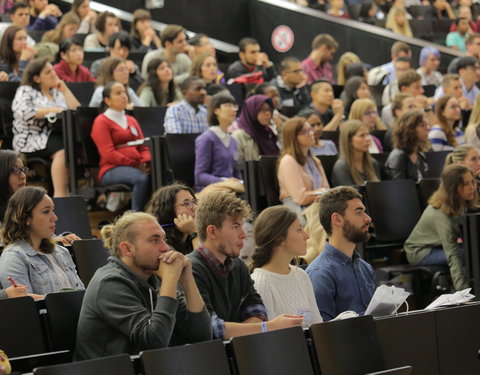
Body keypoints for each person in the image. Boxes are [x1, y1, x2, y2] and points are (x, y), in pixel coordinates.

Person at [74, 211, 211, 360]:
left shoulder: (154, 277)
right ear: (127, 249)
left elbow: (202, 336)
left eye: (164, 239)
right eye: (154, 240)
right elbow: (155, 343)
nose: (165, 248)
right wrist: (170, 279)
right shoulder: (109, 283)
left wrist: (187, 279)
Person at [188, 191, 304, 340]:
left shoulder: (238, 266)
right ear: (212, 231)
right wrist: (268, 327)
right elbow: (210, 328)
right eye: (235, 226)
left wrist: (242, 330)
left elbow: (258, 311)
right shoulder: (191, 269)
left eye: (242, 226)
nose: (243, 234)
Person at [12, 57, 80, 197]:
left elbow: (77, 111)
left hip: (54, 133)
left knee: (78, 142)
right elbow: (25, 113)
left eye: (53, 71)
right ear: (37, 78)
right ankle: (61, 195)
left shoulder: (56, 92)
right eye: (48, 72)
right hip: (30, 138)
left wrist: (65, 90)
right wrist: (55, 110)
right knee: (63, 147)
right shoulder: (26, 90)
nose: (54, 74)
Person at [306, 186, 375, 321]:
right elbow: (321, 333)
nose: (368, 219)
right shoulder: (320, 274)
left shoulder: (366, 268)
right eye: (358, 212)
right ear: (337, 219)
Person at [404, 164, 478, 291]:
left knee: (471, 251)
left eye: (472, 182)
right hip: (420, 252)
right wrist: (463, 291)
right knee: (466, 254)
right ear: (453, 189)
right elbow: (453, 253)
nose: (472, 187)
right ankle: (464, 292)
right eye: (466, 184)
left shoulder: (462, 203)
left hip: (439, 247)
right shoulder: (440, 213)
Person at [0, 186, 84, 295]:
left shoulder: (62, 251)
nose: (54, 218)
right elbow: (26, 307)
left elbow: (81, 294)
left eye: (53, 211)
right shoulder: (14, 257)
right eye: (46, 211)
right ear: (26, 218)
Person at [250, 205, 322, 325]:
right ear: (280, 239)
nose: (307, 236)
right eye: (299, 230)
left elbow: (316, 324)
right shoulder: (260, 283)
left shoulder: (301, 275)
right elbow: (270, 336)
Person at [90, 81, 151, 211]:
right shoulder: (101, 121)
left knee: (160, 173)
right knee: (141, 179)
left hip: (136, 166)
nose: (124, 96)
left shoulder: (131, 119)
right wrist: (136, 165)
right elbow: (108, 153)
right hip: (111, 169)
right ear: (107, 100)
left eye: (124, 92)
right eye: (118, 93)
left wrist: (146, 162)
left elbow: (143, 147)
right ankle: (136, 218)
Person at [0, 149, 81, 246]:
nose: (23, 176)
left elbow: (36, 234)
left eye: (23, 170)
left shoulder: (24, 204)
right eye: (16, 170)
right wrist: (53, 241)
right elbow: (6, 242)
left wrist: (64, 238)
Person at [277, 117, 329, 217]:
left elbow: (326, 188)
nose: (311, 133)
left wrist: (322, 193)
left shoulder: (314, 160)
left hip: (317, 204)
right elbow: (300, 198)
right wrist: (321, 193)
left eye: (310, 129)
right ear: (293, 137)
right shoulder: (288, 160)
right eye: (304, 132)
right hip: (296, 208)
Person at [194, 93, 243, 192]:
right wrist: (225, 181)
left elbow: (235, 171)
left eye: (234, 106)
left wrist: (240, 181)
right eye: (228, 106)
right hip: (212, 192)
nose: (233, 109)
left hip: (231, 189)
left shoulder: (233, 140)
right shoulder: (206, 138)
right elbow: (200, 176)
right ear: (216, 110)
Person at [146, 183, 199, 255]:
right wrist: (194, 233)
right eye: (187, 203)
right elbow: (200, 265)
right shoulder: (164, 246)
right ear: (168, 211)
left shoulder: (188, 240)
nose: (195, 208)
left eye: (194, 202)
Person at [331, 120, 380, 186]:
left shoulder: (373, 163)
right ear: (349, 141)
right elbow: (348, 195)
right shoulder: (341, 167)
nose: (368, 139)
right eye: (362, 135)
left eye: (367, 134)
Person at [384, 110, 430, 180]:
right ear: (410, 129)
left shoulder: (421, 156)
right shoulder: (397, 157)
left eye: (427, 125)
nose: (428, 128)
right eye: (422, 125)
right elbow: (400, 187)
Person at [232, 94, 278, 163]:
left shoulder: (270, 133)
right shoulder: (239, 136)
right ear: (252, 111)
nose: (268, 113)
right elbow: (236, 166)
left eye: (269, 109)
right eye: (262, 109)